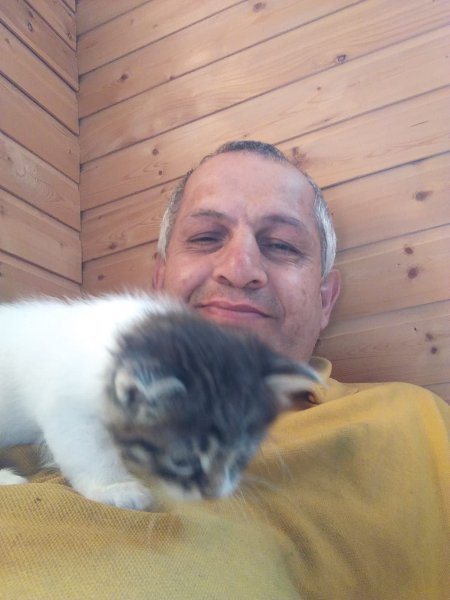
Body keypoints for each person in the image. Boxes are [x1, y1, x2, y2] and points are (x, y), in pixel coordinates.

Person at [1, 141, 448, 599]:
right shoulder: (97, 361)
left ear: (326, 299)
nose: (239, 269)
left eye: (280, 244)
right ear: (159, 281)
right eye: (206, 237)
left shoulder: (419, 423)